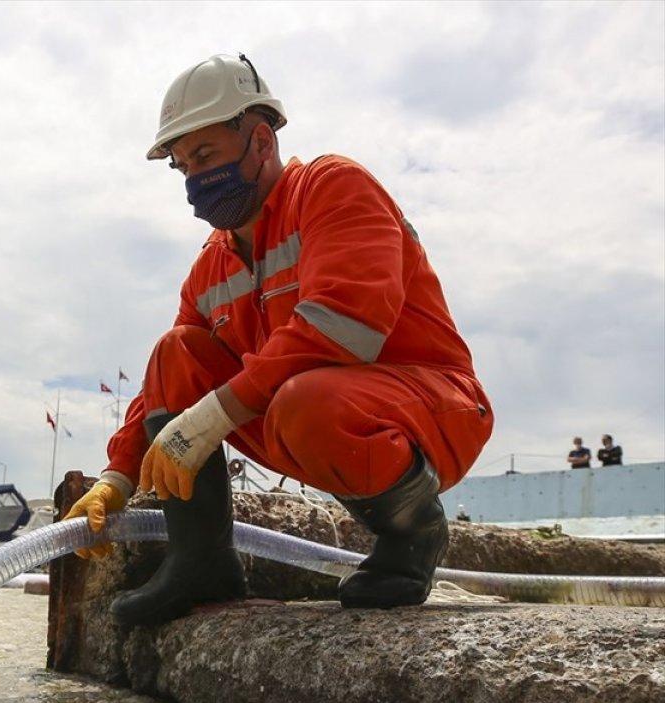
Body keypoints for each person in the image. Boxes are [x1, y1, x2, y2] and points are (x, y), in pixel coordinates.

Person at [63, 53, 493, 623]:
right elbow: (168, 381)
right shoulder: (209, 269)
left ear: (261, 141)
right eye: (183, 164)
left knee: (307, 398)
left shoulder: (333, 188)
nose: (194, 177)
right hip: (297, 410)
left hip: (429, 405)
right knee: (176, 350)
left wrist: (210, 417)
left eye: (206, 155)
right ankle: (201, 564)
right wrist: (117, 477)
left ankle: (413, 535)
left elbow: (342, 328)